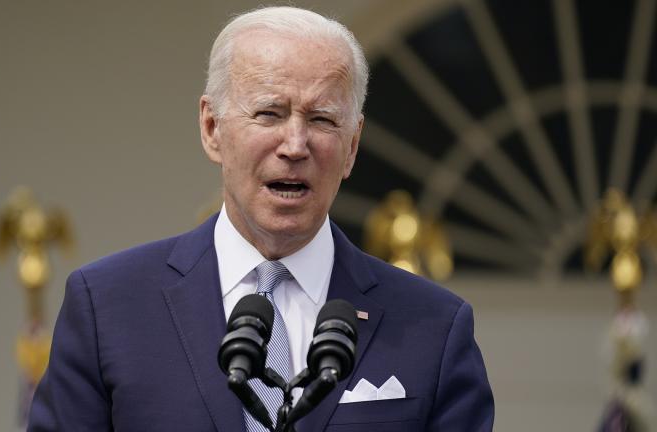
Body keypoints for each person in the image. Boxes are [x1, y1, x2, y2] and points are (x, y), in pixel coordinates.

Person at [28, 6, 494, 432]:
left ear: (352, 146)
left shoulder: (434, 326)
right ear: (212, 129)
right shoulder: (107, 307)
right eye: (269, 114)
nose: (295, 145)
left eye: (322, 120)